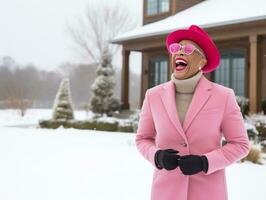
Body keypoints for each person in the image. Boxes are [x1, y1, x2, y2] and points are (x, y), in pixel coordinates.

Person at [135, 25, 250, 200]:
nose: (180, 53)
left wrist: (205, 162)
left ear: (202, 61)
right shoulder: (153, 96)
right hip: (166, 193)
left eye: (188, 49)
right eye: (176, 48)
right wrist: (157, 156)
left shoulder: (223, 96)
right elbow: (143, 139)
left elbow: (240, 144)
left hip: (208, 193)